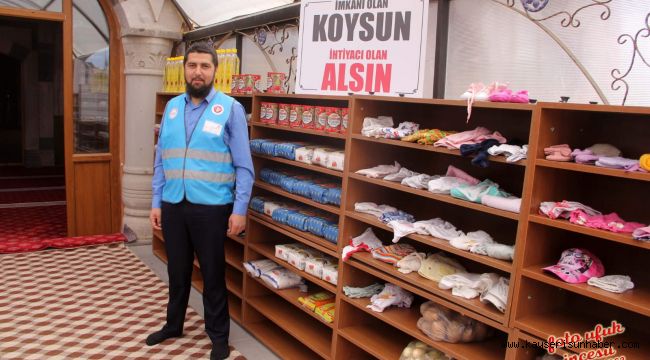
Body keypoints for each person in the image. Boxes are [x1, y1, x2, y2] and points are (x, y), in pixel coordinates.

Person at [147, 42, 254, 360]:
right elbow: (161, 159)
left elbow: (244, 166)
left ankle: (218, 337)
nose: (198, 72)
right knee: (177, 270)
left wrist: (240, 209)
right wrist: (156, 200)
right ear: (185, 69)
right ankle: (173, 324)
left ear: (214, 71)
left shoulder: (230, 109)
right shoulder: (172, 108)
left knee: (211, 273)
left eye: (205, 66)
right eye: (192, 65)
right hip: (173, 203)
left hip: (211, 207)